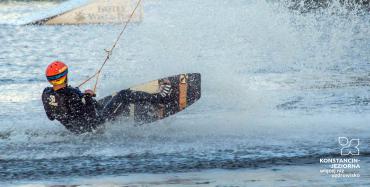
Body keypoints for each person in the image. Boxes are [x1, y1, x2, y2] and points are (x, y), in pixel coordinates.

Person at [42, 61, 171, 134]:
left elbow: (51, 117)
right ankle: (160, 98)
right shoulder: (72, 95)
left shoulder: (46, 94)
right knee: (123, 95)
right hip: (92, 126)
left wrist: (82, 97)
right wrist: (87, 98)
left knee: (103, 103)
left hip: (74, 129)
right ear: (65, 76)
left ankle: (129, 109)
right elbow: (91, 118)